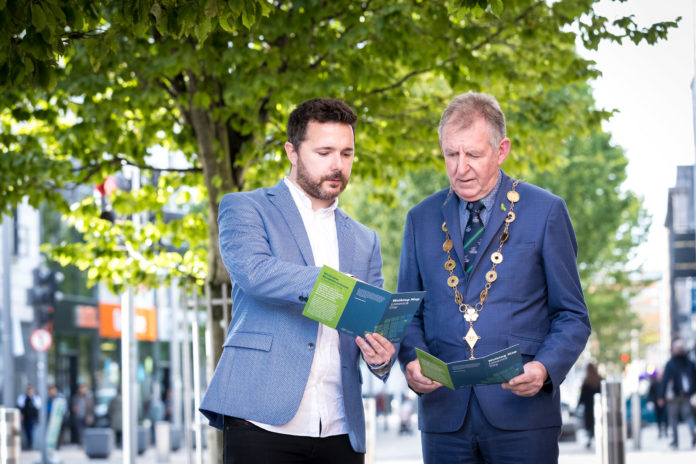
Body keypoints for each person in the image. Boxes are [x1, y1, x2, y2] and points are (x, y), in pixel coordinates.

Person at [397, 91, 591, 463]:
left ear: (501, 151)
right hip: (443, 418)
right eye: (451, 154)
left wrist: (545, 368)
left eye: (473, 155)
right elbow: (409, 312)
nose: (460, 168)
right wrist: (412, 361)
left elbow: (572, 316)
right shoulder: (419, 218)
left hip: (523, 417)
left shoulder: (546, 211)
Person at [200, 97, 396, 464]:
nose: (338, 165)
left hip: (340, 426)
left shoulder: (366, 238)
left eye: (347, 153)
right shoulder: (245, 207)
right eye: (324, 152)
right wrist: (334, 285)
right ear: (292, 151)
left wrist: (382, 357)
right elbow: (256, 273)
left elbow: (370, 320)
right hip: (260, 420)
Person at [657, 338, 696, 449]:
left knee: (673, 418)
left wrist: (660, 396)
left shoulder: (671, 364)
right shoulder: (689, 362)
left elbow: (665, 381)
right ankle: (693, 432)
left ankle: (675, 442)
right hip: (687, 394)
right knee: (688, 416)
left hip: (673, 396)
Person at [577, 363, 602, 448]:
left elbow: (582, 396)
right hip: (599, 407)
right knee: (598, 422)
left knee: (590, 424)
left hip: (588, 407)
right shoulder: (600, 380)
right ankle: (597, 437)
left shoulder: (586, 382)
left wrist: (578, 405)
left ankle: (590, 438)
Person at [17, 385, 41, 450]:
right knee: (27, 431)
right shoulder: (23, 397)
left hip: (33, 418)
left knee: (32, 431)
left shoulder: (35, 398)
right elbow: (20, 407)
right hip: (26, 418)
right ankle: (29, 444)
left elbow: (38, 408)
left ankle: (32, 444)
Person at [646, 370, 667, 438]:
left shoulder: (664, 382)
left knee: (665, 417)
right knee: (658, 418)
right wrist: (650, 401)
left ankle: (665, 431)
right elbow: (650, 393)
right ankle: (660, 431)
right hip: (656, 402)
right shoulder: (654, 383)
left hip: (664, 402)